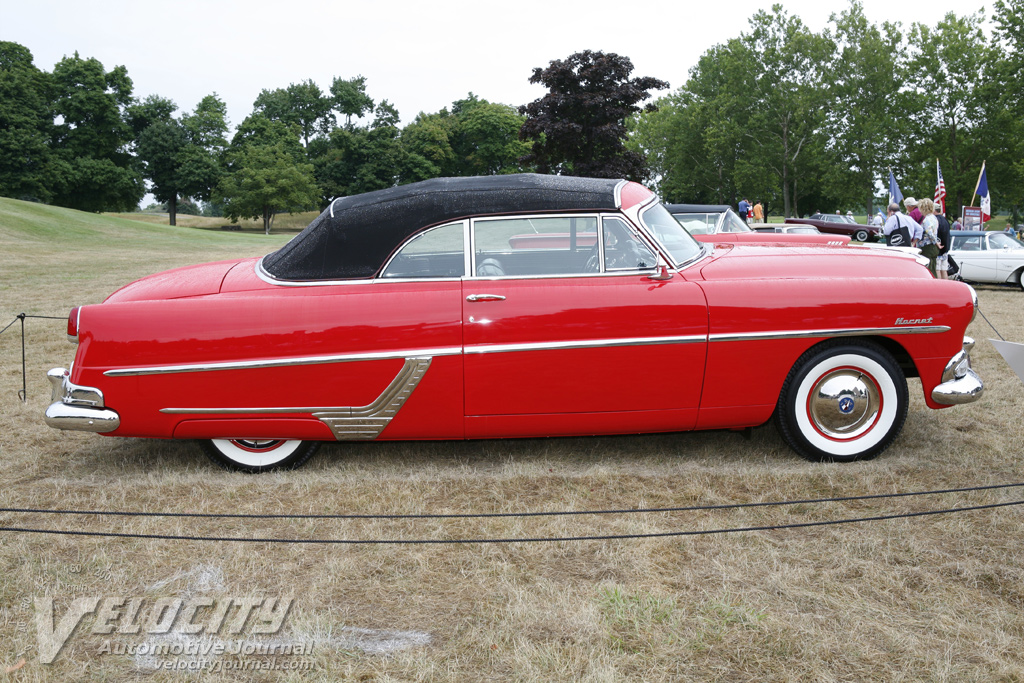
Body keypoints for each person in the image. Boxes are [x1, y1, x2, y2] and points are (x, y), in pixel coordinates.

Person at [917, 198, 940, 277]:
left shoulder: (926, 219)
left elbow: (929, 232)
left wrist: (935, 242)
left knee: (927, 270)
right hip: (932, 247)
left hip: (927, 246)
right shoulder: (934, 218)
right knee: (933, 268)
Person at [934, 204, 951, 280]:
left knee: (937, 269)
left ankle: (939, 287)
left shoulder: (935, 220)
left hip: (938, 248)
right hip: (945, 248)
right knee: (944, 270)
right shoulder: (945, 220)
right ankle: (946, 287)